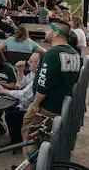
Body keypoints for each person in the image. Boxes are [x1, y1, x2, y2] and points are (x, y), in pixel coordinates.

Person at [21, 21, 82, 162]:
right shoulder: (75, 54)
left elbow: (44, 83)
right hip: (60, 107)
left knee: (29, 136)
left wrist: (35, 103)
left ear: (56, 33)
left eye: (49, 30)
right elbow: (75, 80)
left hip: (44, 107)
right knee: (45, 142)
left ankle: (29, 167)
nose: (46, 32)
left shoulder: (52, 54)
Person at [0, 53, 40, 145]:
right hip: (25, 105)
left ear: (39, 64)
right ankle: (15, 137)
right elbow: (21, 85)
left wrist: (2, 91)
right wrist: (20, 71)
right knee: (9, 109)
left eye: (31, 61)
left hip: (32, 110)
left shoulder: (38, 77)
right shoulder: (33, 73)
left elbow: (24, 94)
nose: (28, 62)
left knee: (11, 115)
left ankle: (17, 143)